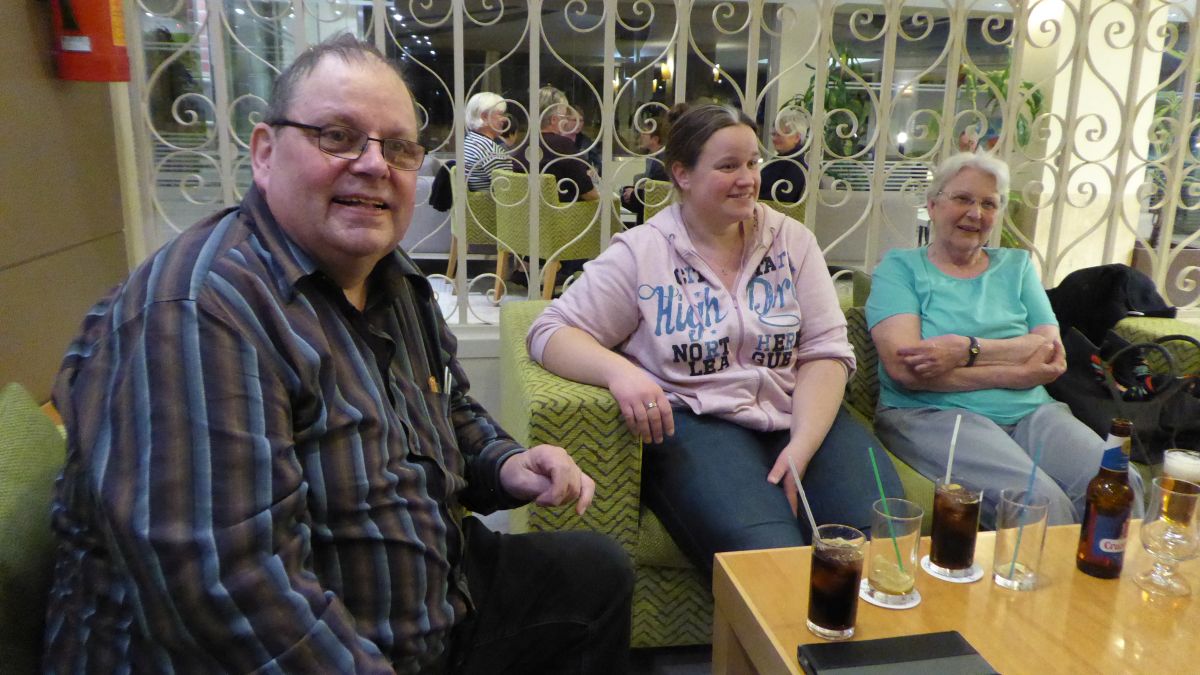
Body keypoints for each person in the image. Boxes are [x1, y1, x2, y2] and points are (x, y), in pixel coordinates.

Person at [43, 35, 632, 674]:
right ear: (265, 153)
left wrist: (506, 462)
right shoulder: (197, 313)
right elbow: (228, 592)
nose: (375, 164)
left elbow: (448, 406)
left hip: (429, 599)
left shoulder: (391, 277)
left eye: (399, 148)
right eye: (337, 136)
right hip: (312, 645)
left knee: (593, 574)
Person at [526, 104, 902, 574]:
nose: (747, 179)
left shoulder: (792, 241)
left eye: (752, 163)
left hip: (797, 412)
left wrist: (801, 447)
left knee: (882, 542)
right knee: (769, 563)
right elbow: (550, 331)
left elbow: (826, 350)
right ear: (682, 174)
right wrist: (620, 372)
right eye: (728, 166)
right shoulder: (644, 252)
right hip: (698, 423)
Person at [866, 152, 1144, 529]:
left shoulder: (1016, 267)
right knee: (1036, 502)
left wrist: (964, 350)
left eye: (988, 203)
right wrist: (1018, 372)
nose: (975, 213)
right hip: (931, 413)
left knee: (1120, 481)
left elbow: (1049, 351)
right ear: (932, 205)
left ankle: (1105, 567)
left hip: (1032, 411)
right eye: (962, 198)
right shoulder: (900, 269)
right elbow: (906, 371)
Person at [511, 86, 598, 203]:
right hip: (563, 213)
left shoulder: (523, 145)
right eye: (564, 116)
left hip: (526, 212)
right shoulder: (563, 146)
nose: (566, 121)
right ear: (553, 119)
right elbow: (590, 194)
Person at [619, 105, 674, 224]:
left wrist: (633, 194)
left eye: (644, 133)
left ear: (655, 139)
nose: (641, 136)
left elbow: (656, 193)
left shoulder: (660, 161)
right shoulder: (654, 157)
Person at [462, 91, 513, 191]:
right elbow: (507, 193)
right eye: (500, 114)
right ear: (484, 117)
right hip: (491, 201)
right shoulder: (491, 151)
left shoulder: (470, 141)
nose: (504, 119)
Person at [759, 106, 806, 203]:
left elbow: (783, 199)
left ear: (796, 137)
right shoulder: (783, 159)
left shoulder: (796, 165)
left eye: (779, 134)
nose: (775, 139)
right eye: (773, 134)